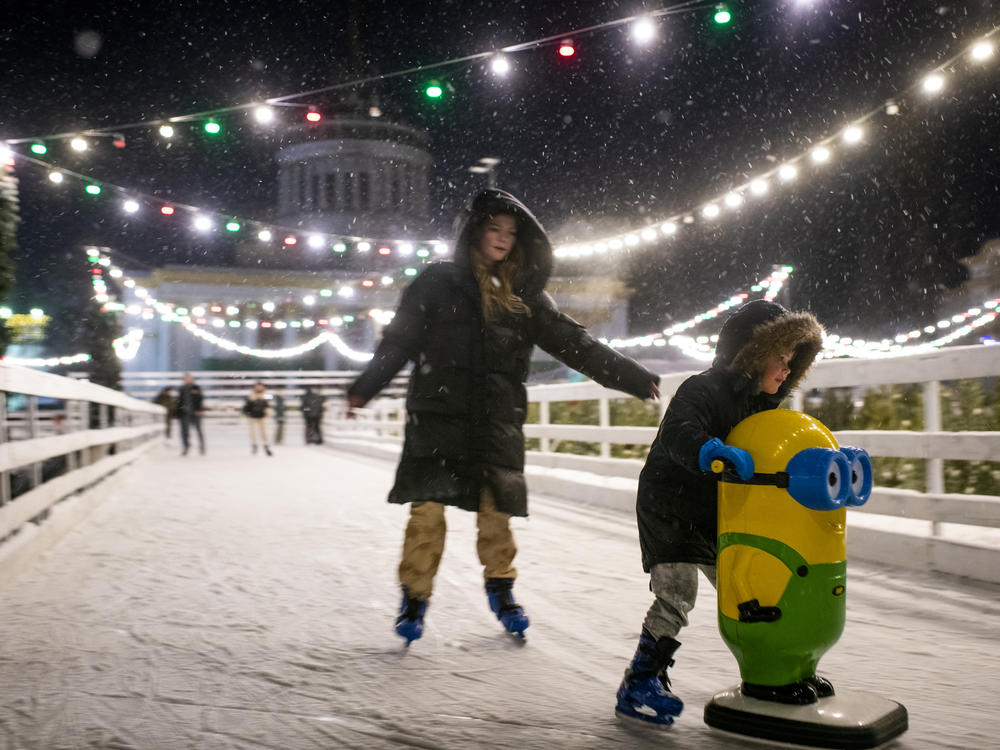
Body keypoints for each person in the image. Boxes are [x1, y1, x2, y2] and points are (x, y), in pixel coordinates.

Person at [346, 188, 661, 645]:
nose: (502, 239)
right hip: (438, 417)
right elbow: (399, 342)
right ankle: (414, 599)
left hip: (495, 420)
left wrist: (631, 376)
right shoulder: (436, 284)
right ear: (474, 231)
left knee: (497, 513)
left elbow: (576, 345)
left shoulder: (525, 297)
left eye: (511, 233)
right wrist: (364, 389)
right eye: (494, 228)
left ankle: (502, 590)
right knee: (427, 513)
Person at [614, 299, 824, 726]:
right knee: (676, 595)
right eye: (779, 359)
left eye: (791, 362)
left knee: (744, 590)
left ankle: (774, 674)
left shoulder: (764, 407)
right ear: (750, 353)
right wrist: (710, 450)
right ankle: (640, 680)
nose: (786, 370)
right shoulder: (702, 388)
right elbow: (679, 434)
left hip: (714, 513)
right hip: (668, 505)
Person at [175, 372, 205, 456]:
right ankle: (186, 447)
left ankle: (202, 447)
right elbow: (179, 402)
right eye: (186, 379)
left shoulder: (196, 388)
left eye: (189, 378)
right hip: (184, 413)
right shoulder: (181, 389)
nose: (187, 380)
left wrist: (199, 410)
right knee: (184, 432)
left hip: (195, 413)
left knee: (198, 430)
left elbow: (200, 399)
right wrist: (177, 414)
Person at [242, 382, 272, 456]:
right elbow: (246, 407)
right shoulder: (251, 396)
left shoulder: (266, 395)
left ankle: (266, 446)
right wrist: (247, 413)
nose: (259, 388)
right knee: (253, 433)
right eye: (257, 386)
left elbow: (268, 405)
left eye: (260, 386)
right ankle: (254, 445)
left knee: (264, 433)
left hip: (262, 417)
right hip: (253, 417)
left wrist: (268, 412)